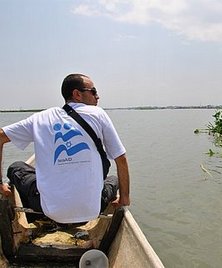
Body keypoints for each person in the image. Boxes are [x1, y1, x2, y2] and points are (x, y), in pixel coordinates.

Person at [0, 73, 130, 224]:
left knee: (16, 168)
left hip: (49, 210)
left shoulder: (41, 117)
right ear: (77, 94)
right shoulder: (98, 114)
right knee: (113, 179)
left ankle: (34, 217)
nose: (97, 96)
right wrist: (124, 198)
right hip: (92, 210)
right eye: (93, 91)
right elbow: (121, 159)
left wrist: (0, 184)